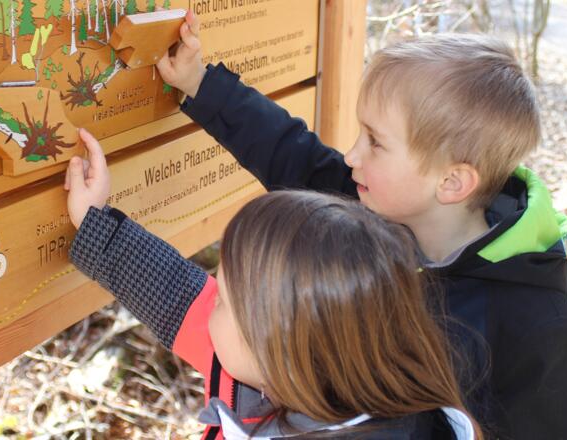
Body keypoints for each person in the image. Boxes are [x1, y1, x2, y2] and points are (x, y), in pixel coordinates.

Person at [156, 11, 567, 439]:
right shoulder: (374, 207)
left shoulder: (540, 331)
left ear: (451, 181)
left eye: (375, 142)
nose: (352, 156)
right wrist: (201, 84)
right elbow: (290, 151)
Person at [63, 128, 481, 439]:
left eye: (225, 300)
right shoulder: (304, 360)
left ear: (275, 344)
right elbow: (176, 294)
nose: (210, 303)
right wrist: (95, 221)